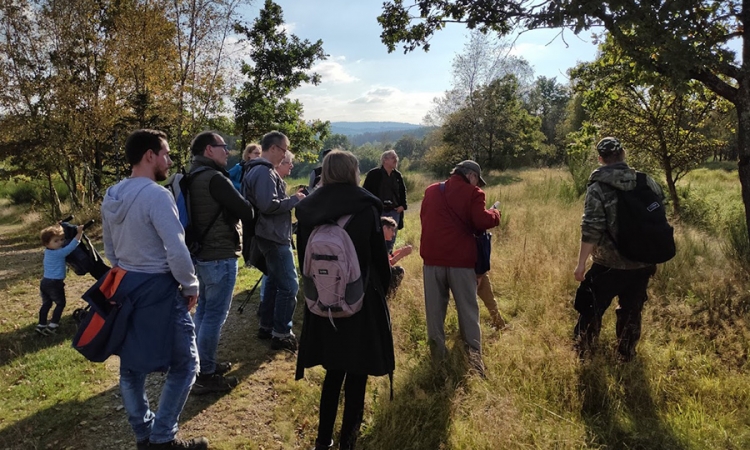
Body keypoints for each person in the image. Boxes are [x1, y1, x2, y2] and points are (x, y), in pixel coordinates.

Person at [101, 129, 207, 450]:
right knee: (187, 364)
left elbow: (110, 251)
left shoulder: (111, 195)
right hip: (159, 290)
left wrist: (129, 268)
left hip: (125, 286)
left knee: (131, 366)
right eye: (166, 153)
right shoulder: (157, 195)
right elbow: (176, 248)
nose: (170, 160)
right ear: (150, 155)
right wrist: (190, 284)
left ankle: (143, 435)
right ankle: (161, 438)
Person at [295, 150, 394, 450]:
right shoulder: (366, 207)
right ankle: (348, 441)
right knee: (357, 375)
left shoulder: (308, 208)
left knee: (333, 373)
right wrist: (385, 291)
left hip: (322, 303)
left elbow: (303, 260)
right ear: (353, 171)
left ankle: (322, 441)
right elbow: (379, 260)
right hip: (359, 300)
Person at [573, 137, 664, 362]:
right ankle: (626, 355)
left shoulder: (598, 187)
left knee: (590, 307)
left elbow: (592, 227)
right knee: (632, 310)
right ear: (623, 154)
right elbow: (660, 217)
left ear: (600, 159)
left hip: (608, 264)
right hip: (642, 263)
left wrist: (581, 264)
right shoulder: (646, 181)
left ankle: (585, 353)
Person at [187, 131, 256, 394]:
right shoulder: (214, 178)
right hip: (219, 255)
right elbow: (246, 211)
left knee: (203, 312)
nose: (227, 152)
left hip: (201, 255)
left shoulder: (191, 176)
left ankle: (202, 364)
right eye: (222, 147)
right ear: (208, 150)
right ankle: (205, 374)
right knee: (213, 316)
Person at [419, 160, 501, 376]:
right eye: (477, 179)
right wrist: (495, 214)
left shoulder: (431, 190)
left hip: (432, 260)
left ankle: (438, 360)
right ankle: (475, 361)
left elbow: (425, 219)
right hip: (461, 262)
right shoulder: (475, 193)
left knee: (434, 312)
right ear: (471, 175)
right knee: (468, 311)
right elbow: (481, 221)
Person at [243, 131, 305, 352]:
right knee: (290, 286)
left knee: (274, 282)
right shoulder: (263, 173)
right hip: (272, 236)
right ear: (274, 148)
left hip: (270, 235)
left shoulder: (261, 171)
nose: (285, 154)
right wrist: (294, 201)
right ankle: (281, 334)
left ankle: (267, 326)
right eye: (284, 149)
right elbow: (268, 206)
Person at [36, 223, 83, 335]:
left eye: (61, 239)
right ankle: (53, 325)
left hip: (45, 282)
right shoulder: (59, 253)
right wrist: (79, 233)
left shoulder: (47, 251)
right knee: (60, 303)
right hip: (55, 283)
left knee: (46, 304)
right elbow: (72, 246)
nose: (61, 242)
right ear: (47, 243)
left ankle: (41, 324)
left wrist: (59, 226)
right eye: (56, 241)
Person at [363, 149, 407, 253]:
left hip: (394, 211)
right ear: (385, 160)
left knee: (391, 239)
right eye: (393, 158)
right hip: (379, 211)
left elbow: (402, 191)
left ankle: (389, 262)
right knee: (378, 237)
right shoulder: (374, 174)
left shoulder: (397, 175)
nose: (396, 160)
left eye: (396, 157)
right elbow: (366, 192)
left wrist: (403, 206)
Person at [380, 216, 412, 296]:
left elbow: (384, 260)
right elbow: (386, 266)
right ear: (384, 228)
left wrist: (396, 253)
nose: (394, 234)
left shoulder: (380, 241)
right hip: (376, 279)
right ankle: (388, 295)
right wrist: (401, 255)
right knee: (398, 271)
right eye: (392, 230)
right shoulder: (379, 244)